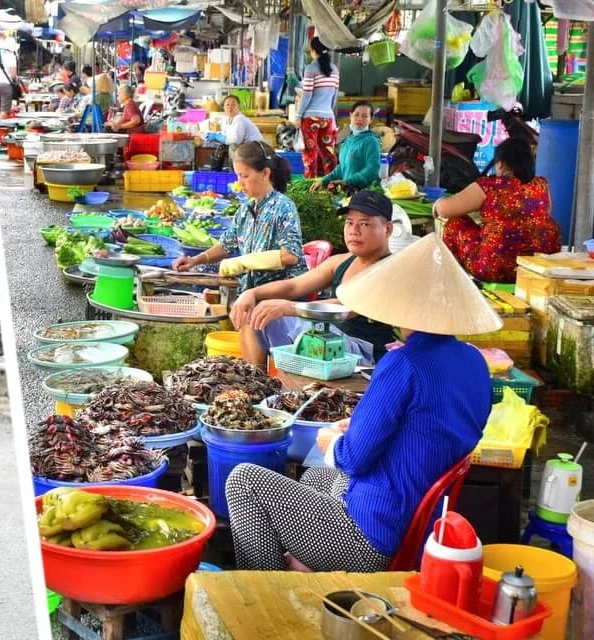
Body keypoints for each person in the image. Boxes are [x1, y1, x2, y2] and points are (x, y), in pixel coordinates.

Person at [225, 233, 500, 572]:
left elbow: (353, 458)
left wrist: (332, 442)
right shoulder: (473, 362)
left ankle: (266, 591)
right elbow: (430, 428)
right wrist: (355, 429)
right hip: (419, 521)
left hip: (373, 537)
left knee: (245, 482)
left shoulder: (403, 364)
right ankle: (308, 567)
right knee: (315, 478)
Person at [229, 191, 399, 366]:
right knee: (255, 314)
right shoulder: (340, 261)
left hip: (363, 351)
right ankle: (256, 383)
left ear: (387, 229)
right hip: (327, 338)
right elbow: (294, 286)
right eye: (349, 223)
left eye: (364, 224)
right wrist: (252, 293)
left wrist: (289, 307)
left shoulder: (391, 270)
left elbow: (349, 307)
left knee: (311, 334)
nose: (354, 231)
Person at [172, 141, 307, 291]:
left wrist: (244, 262)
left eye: (245, 176)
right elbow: (225, 246)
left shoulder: (283, 207)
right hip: (251, 288)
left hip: (280, 292)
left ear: (265, 173)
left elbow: (290, 256)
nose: (240, 183)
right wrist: (195, 260)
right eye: (238, 176)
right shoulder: (246, 209)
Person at [435, 137, 561, 283]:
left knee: (455, 223)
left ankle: (452, 283)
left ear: (501, 164)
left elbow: (445, 210)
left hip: (495, 267)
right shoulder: (541, 185)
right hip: (537, 266)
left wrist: (437, 204)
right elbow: (545, 213)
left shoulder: (490, 186)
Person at [313, 102, 381, 192]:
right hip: (348, 191)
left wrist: (348, 182)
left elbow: (372, 170)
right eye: (356, 115)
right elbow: (342, 168)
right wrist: (324, 181)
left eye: (364, 116)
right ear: (350, 115)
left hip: (365, 193)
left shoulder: (371, 141)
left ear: (371, 119)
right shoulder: (348, 139)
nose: (359, 119)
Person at [297, 37, 340, 178]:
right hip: (328, 117)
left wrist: (298, 116)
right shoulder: (334, 69)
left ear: (313, 50)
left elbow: (307, 95)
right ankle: (333, 185)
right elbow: (334, 96)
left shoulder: (310, 69)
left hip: (311, 118)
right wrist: (329, 114)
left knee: (311, 155)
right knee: (328, 154)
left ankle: (311, 188)